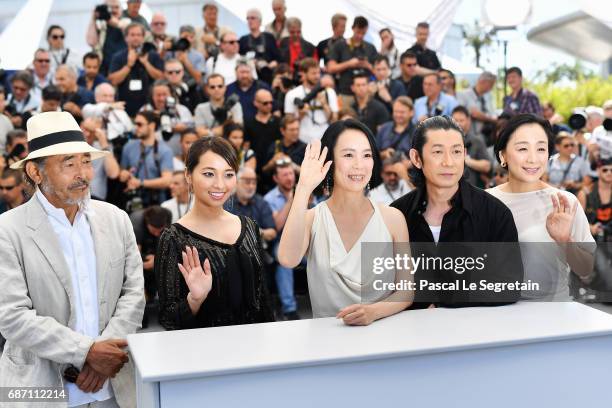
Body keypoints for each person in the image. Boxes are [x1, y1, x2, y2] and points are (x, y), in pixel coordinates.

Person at [0, 111, 144, 407]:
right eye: (69, 164)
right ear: (35, 172)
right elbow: (12, 316)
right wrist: (87, 352)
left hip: (114, 386)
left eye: (86, 162)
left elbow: (133, 295)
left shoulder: (116, 219)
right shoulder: (8, 230)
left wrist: (104, 354)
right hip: (38, 388)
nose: (84, 174)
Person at [277, 120, 412, 322]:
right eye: (348, 155)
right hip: (327, 344)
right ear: (329, 160)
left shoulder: (393, 219)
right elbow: (287, 259)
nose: (359, 165)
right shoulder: (312, 219)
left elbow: (406, 291)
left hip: (384, 339)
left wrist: (373, 312)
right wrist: (304, 188)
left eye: (366, 155)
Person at [391, 115, 523, 308]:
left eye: (456, 152)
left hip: (476, 330)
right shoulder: (397, 214)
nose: (448, 162)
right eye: (437, 152)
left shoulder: (494, 213)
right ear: (416, 158)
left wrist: (441, 299)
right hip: (412, 331)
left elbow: (509, 284)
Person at [156, 136, 275, 329]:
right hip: (204, 354)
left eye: (228, 174)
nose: (220, 184)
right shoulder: (173, 238)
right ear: (188, 175)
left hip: (255, 349)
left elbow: (263, 298)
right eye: (209, 174)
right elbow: (168, 319)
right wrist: (195, 299)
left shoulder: (249, 227)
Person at [488, 113, 595, 301]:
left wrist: (564, 240)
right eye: (522, 149)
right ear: (502, 155)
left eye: (541, 149)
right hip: (496, 314)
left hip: (553, 316)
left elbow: (586, 269)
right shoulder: (484, 202)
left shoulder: (564, 202)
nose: (533, 159)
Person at [263, 161, 300, 319]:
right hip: (282, 241)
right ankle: (289, 308)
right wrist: (292, 201)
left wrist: (309, 201)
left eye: (291, 173)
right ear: (276, 178)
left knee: (325, 253)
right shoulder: (269, 198)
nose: (289, 178)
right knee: (283, 258)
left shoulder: (305, 192)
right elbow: (276, 226)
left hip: (305, 239)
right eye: (284, 175)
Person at [108, 22, 164, 117]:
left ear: (143, 37)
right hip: (125, 107)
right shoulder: (118, 57)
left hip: (149, 106)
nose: (136, 37)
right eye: (132, 35)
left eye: (138, 35)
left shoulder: (152, 55)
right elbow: (113, 80)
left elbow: (161, 77)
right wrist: (128, 65)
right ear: (126, 38)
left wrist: (146, 63)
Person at [119, 111, 174, 207]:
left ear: (152, 126)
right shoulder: (129, 146)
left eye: (139, 124)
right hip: (132, 199)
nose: (136, 127)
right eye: (135, 124)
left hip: (156, 202)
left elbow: (167, 180)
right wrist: (124, 175)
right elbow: (122, 172)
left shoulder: (164, 150)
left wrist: (140, 183)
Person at [285, 58, 338, 144]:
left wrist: (325, 105)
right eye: (313, 73)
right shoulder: (292, 94)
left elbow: (334, 121)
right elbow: (287, 123)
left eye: (318, 73)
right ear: (303, 74)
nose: (317, 76)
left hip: (325, 140)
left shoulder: (329, 92)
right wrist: (301, 114)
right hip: (301, 141)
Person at [326, 16, 377, 105]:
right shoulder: (340, 45)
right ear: (353, 28)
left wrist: (367, 65)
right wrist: (349, 64)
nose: (360, 36)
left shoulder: (370, 48)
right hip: (346, 93)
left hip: (365, 94)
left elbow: (379, 71)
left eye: (363, 33)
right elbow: (330, 68)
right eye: (358, 32)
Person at [140, 79, 194, 156]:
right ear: (152, 96)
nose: (161, 99)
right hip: (152, 156)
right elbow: (138, 131)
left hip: (179, 156)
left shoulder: (181, 110)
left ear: (171, 95)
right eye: (158, 95)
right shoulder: (145, 110)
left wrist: (181, 128)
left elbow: (192, 130)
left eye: (164, 94)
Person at [228, 166, 277, 243]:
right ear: (236, 182)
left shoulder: (261, 203)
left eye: (254, 182)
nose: (251, 186)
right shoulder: (226, 203)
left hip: (257, 249)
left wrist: (257, 232)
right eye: (247, 182)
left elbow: (272, 232)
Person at [451, 106, 492, 188]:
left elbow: (487, 166)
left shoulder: (476, 141)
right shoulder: (446, 140)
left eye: (461, 120)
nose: (458, 123)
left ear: (468, 121)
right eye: (455, 120)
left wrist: (467, 160)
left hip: (472, 188)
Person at [81, 117, 120, 201]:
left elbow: (113, 174)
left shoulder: (103, 147)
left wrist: (104, 143)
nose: (87, 134)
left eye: (91, 131)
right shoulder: (71, 147)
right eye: (85, 129)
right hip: (76, 195)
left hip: (96, 197)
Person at [245, 89, 282, 179]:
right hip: (256, 167)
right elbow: (246, 146)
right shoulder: (249, 123)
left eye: (271, 102)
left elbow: (282, 143)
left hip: (275, 167)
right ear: (256, 103)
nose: (269, 105)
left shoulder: (278, 121)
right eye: (265, 103)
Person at [86, 0, 128, 76]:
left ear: (121, 10)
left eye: (116, 7)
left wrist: (108, 17)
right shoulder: (101, 25)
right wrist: (93, 18)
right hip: (103, 68)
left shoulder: (126, 21)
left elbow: (123, 27)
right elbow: (91, 42)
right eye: (110, 8)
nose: (114, 10)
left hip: (122, 67)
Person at [240, 8, 280, 85]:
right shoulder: (243, 40)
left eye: (252, 18)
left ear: (260, 21)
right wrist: (250, 63)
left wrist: (269, 65)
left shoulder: (269, 37)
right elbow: (239, 59)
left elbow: (278, 58)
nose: (250, 21)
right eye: (247, 18)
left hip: (267, 77)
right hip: (249, 78)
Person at [457, 71, 497, 145]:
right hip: (471, 137)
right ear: (482, 81)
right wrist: (491, 119)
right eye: (491, 84)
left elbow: (492, 114)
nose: (491, 88)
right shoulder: (463, 95)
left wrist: (484, 117)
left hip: (488, 134)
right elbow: (473, 114)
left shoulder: (488, 96)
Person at [578, 158, 612, 239]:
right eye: (605, 170)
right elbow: (577, 220)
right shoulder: (585, 193)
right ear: (598, 170)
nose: (609, 173)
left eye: (611, 170)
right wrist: (590, 228)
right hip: (590, 238)